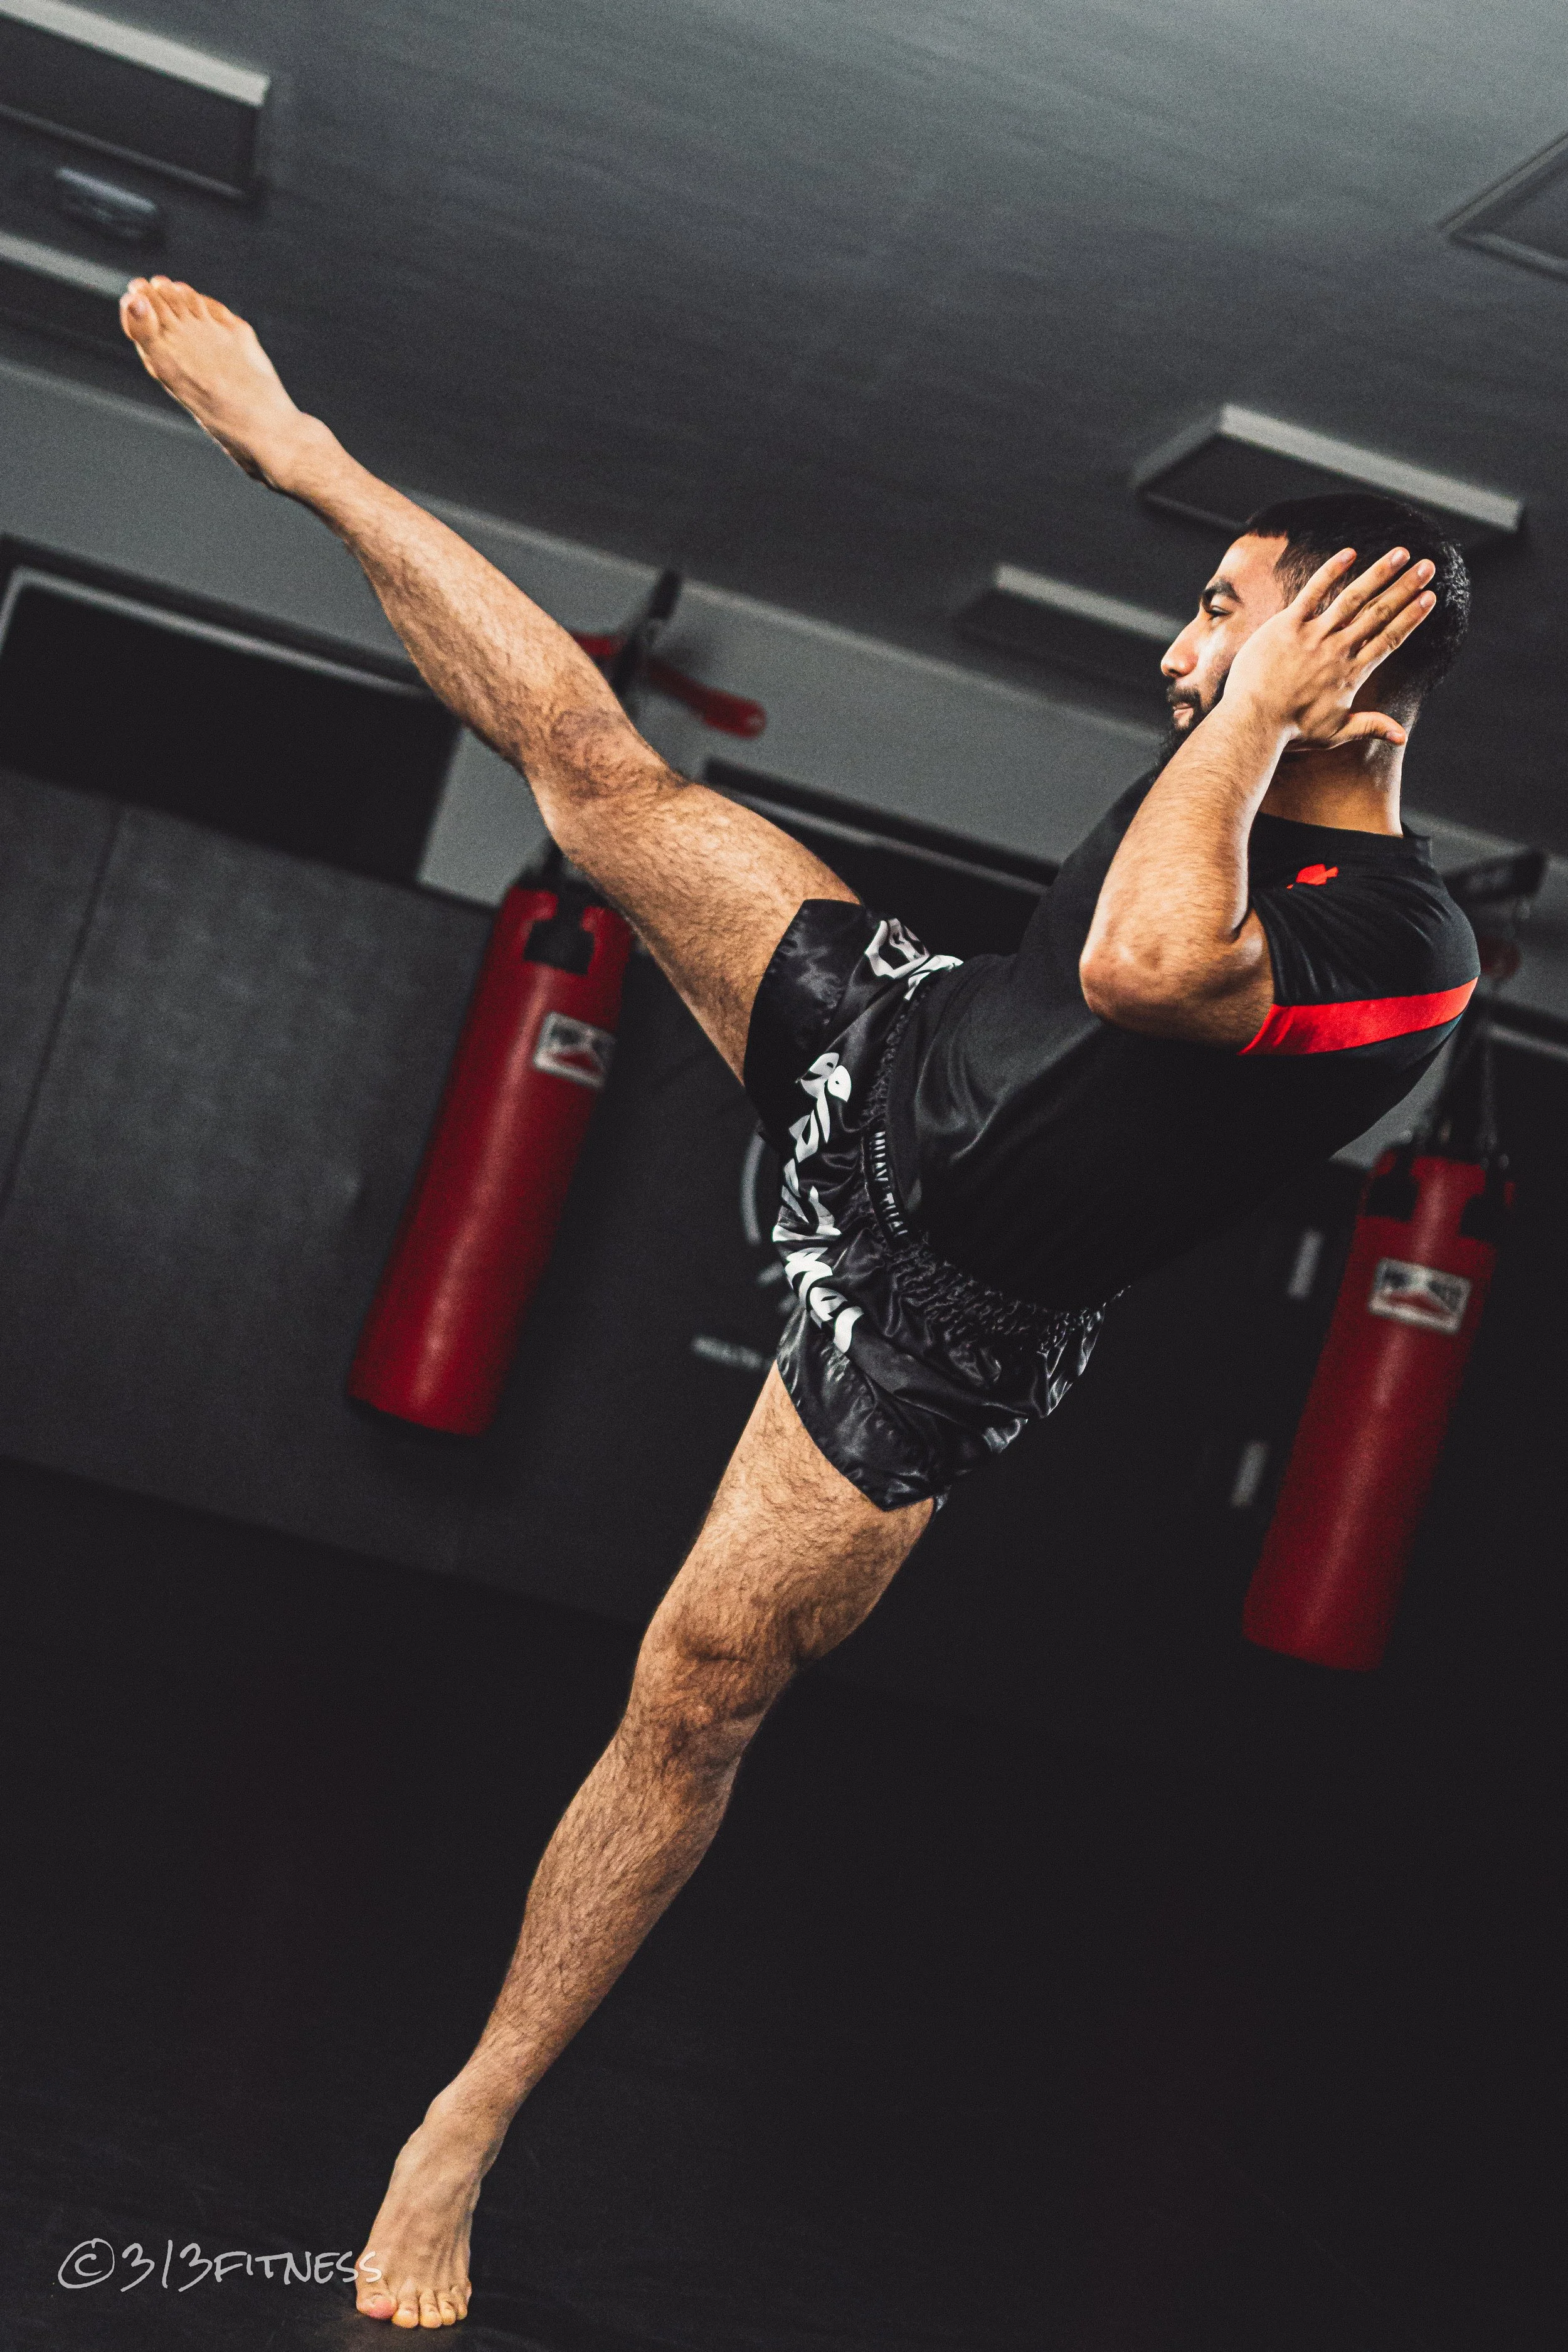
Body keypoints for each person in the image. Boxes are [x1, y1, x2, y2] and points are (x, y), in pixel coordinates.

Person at [118, 274, 1477, 2329]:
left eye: (1232, 619)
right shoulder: (1225, 745)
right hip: (902, 1052)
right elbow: (1063, 968)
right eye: (1207, 606)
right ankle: (298, 451)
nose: (1186, 647)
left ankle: (460, 2125)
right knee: (590, 766)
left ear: (1353, 692)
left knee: (690, 1696)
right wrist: (1248, 706)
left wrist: (1260, 711)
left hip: (948, 1310)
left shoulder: (1408, 942)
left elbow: (1135, 972)